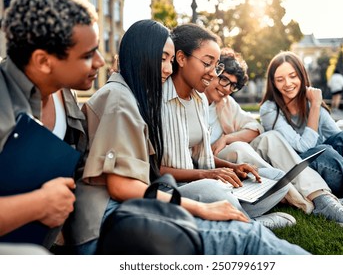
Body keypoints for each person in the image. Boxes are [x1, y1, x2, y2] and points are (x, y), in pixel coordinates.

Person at [66, 19, 309, 255]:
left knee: (252, 206)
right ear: (140, 54)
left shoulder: (128, 97)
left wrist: (224, 171)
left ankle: (242, 220)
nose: (169, 69)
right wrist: (202, 207)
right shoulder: (121, 101)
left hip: (122, 215)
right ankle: (248, 223)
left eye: (170, 60)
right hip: (106, 226)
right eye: (163, 59)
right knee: (246, 236)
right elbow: (121, 186)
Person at [160, 24, 298, 229]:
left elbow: (199, 157)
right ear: (181, 58)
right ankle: (249, 225)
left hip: (204, 182)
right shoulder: (158, 99)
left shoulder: (198, 99)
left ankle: (232, 217)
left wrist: (232, 168)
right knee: (212, 189)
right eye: (208, 64)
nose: (212, 73)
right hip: (174, 189)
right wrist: (207, 175)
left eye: (216, 67)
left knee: (277, 179)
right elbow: (154, 169)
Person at [0, 0, 104, 253]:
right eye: (88, 55)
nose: (100, 62)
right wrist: (39, 204)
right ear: (43, 61)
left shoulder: (63, 92)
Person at [259, 51, 343, 226]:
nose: (288, 83)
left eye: (293, 76)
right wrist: (315, 106)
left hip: (333, 166)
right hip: (303, 171)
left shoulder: (310, 103)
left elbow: (340, 137)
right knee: (321, 151)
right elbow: (302, 147)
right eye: (280, 79)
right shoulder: (270, 110)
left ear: (301, 75)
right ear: (273, 83)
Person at [204, 47, 314, 221]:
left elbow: (255, 128)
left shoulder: (226, 103)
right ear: (213, 71)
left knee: (270, 138)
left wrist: (226, 138)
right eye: (224, 79)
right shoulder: (194, 101)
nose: (226, 88)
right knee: (239, 148)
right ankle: (297, 198)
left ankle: (314, 194)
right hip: (206, 163)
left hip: (226, 162)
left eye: (233, 85)